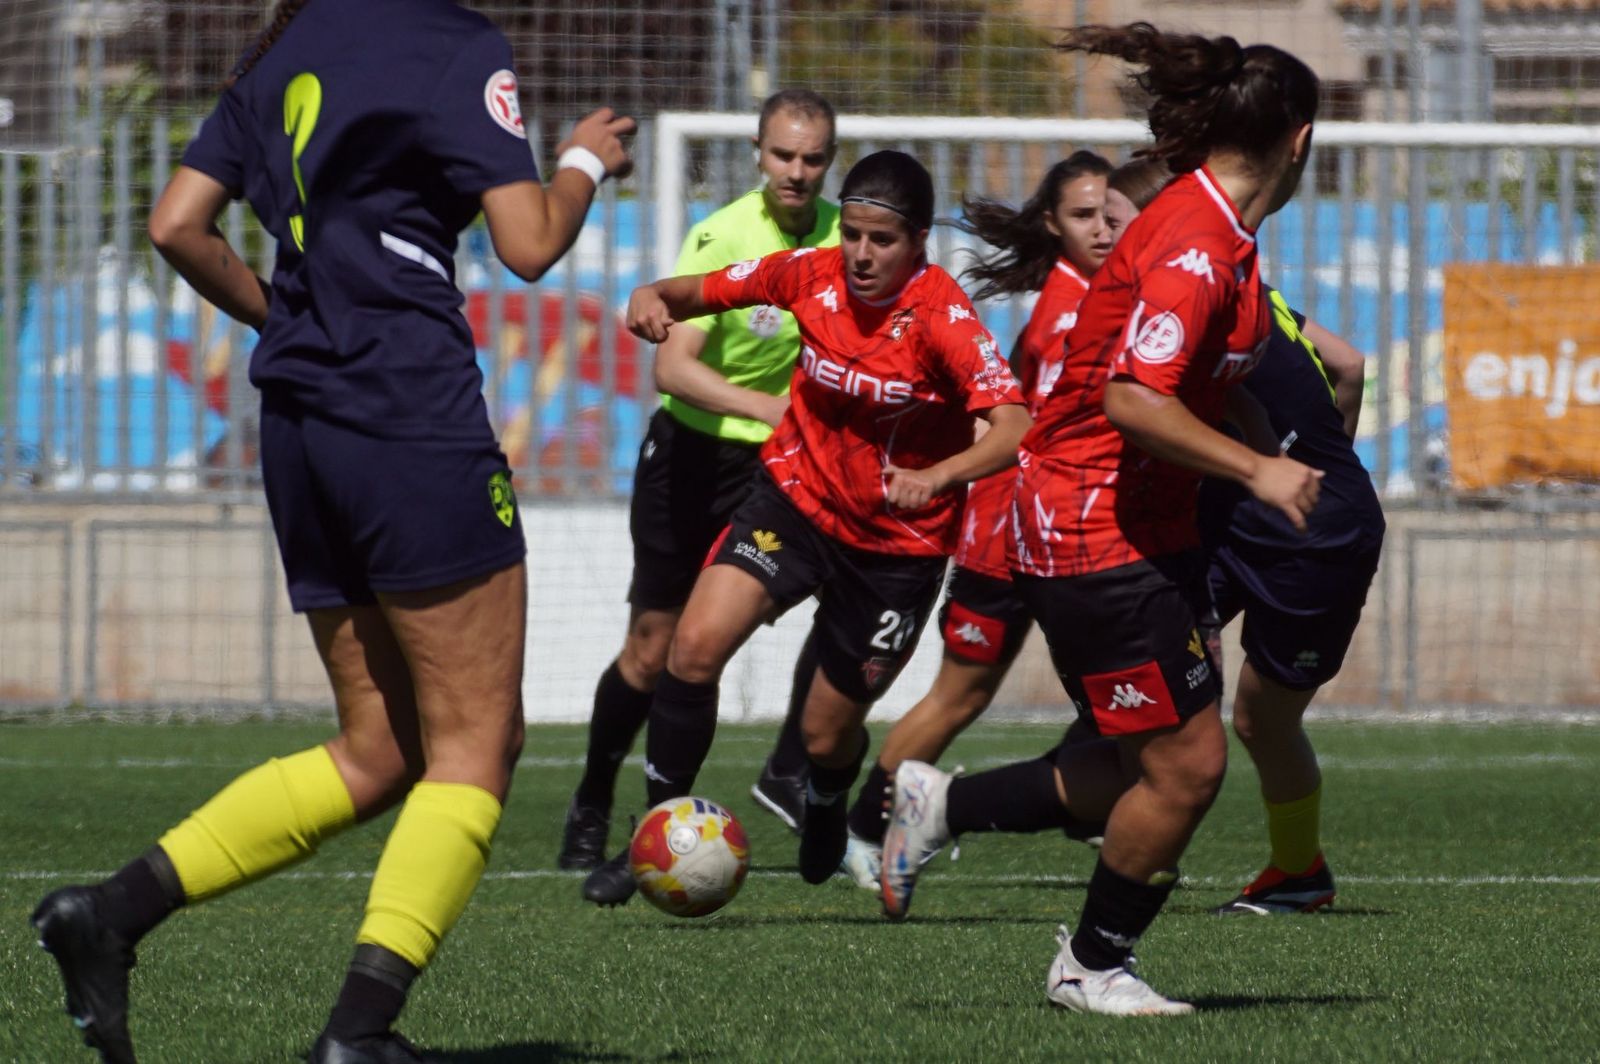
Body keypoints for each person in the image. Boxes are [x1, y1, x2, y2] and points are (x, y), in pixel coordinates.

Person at [30, 2, 631, 1061]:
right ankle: (358, 1035)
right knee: (477, 743)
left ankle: (109, 914)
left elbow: (175, 224)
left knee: (380, 746)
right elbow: (531, 243)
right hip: (406, 411)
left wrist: (290, 321)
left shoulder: (283, 49)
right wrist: (582, 159)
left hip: (301, 428)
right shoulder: (455, 43)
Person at [880, 24, 1323, 1016]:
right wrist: (1257, 468)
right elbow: (1132, 397)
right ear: (1299, 141)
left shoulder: (1219, 232)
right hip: (1091, 530)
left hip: (1148, 529)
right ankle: (1091, 964)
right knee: (1187, 767)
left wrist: (1269, 441)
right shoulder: (1195, 244)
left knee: (1142, 761)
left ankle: (942, 802)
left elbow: (1202, 379)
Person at [579, 150, 1033, 906]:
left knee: (826, 735)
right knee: (692, 649)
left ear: (919, 240)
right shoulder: (807, 274)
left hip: (896, 547)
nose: (860, 254)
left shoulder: (942, 317)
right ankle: (656, 832)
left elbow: (1013, 424)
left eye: (881, 240)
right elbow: (692, 292)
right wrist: (650, 296)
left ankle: (824, 798)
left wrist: (939, 476)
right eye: (851, 234)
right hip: (794, 502)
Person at [559, 89, 841, 875]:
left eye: (812, 158)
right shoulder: (722, 237)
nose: (796, 171)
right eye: (782, 155)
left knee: (848, 597)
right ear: (757, 154)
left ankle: (788, 771)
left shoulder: (843, 238)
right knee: (653, 651)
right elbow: (673, 368)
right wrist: (771, 408)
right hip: (691, 460)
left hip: (778, 473)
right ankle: (592, 798)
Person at [836, 150, 1115, 890]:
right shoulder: (1070, 314)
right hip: (1010, 533)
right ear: (1053, 225)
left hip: (1057, 530)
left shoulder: (1096, 298)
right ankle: (863, 829)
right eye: (1083, 216)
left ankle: (1102, 800)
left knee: (1113, 685)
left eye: (1110, 215)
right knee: (961, 695)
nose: (1102, 230)